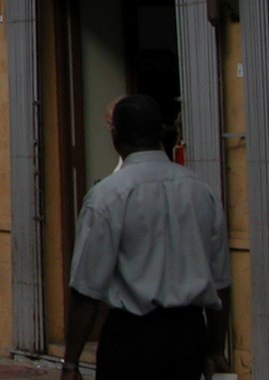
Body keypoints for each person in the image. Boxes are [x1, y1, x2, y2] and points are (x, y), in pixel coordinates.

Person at [61, 95, 231, 380]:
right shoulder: (200, 190)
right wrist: (215, 349)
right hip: (189, 335)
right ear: (161, 133)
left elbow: (86, 290)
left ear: (116, 135)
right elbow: (221, 282)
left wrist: (71, 362)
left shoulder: (107, 196)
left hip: (132, 338)